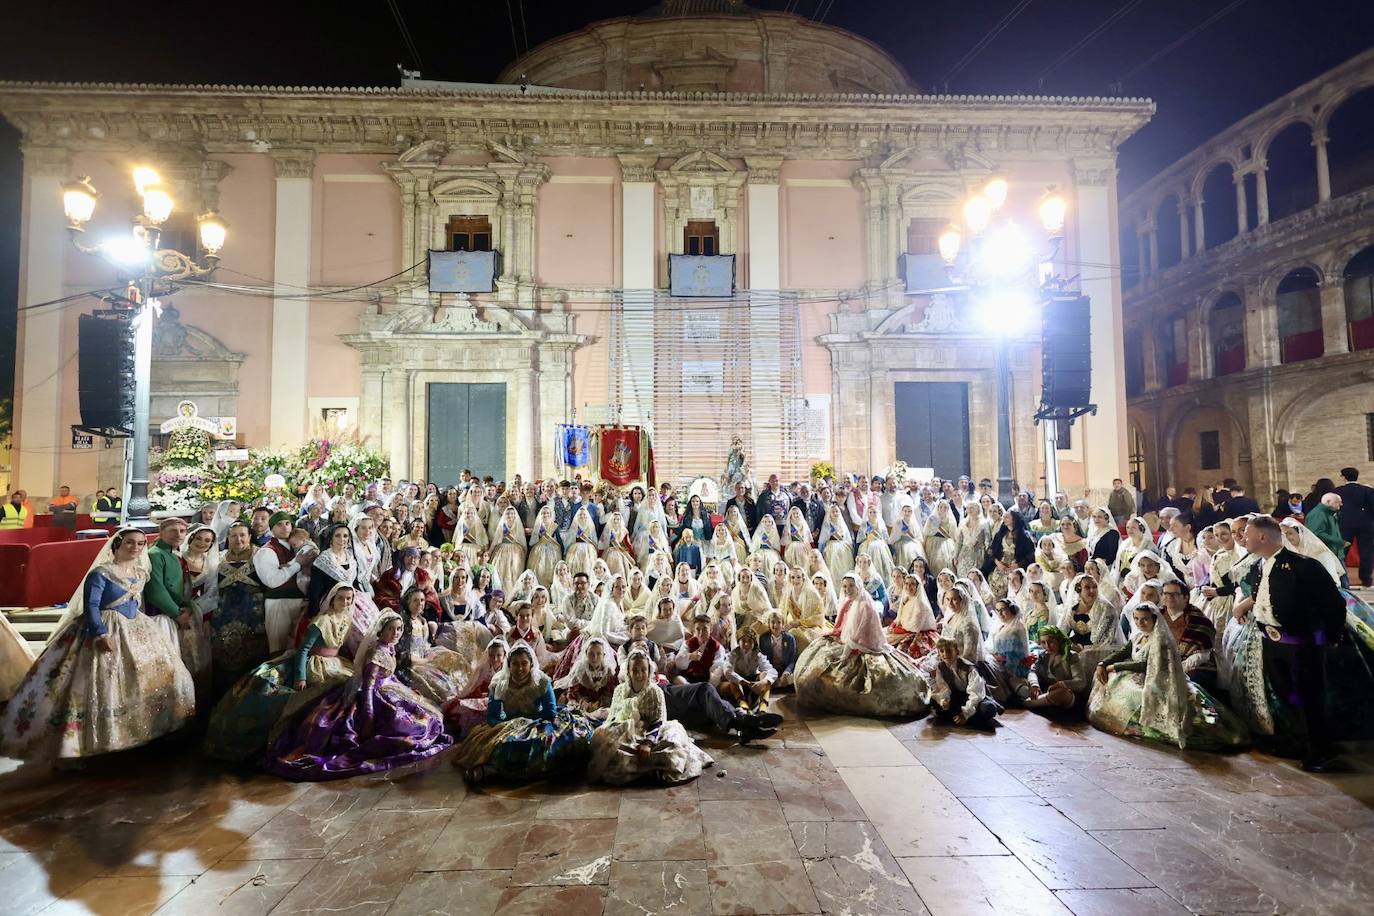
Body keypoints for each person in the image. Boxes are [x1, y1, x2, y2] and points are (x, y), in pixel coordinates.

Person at [0, 527, 195, 762]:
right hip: (104, 627)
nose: (136, 548)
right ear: (117, 545)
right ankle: (89, 743)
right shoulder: (101, 573)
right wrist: (100, 633)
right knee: (100, 682)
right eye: (130, 543)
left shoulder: (141, 573)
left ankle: (137, 734)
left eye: (141, 543)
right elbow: (92, 606)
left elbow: (138, 603)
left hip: (136, 628)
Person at [264, 611, 452, 780]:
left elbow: (390, 674)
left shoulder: (388, 647)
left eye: (399, 629)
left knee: (426, 715)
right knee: (405, 724)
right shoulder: (377, 654)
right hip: (374, 695)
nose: (395, 633)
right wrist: (368, 717)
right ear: (381, 631)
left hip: (389, 688)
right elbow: (369, 687)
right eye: (391, 629)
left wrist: (405, 689)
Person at [203, 581, 356, 763]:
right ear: (332, 600)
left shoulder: (346, 619)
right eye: (341, 599)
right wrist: (300, 676)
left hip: (335, 662)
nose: (345, 603)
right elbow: (303, 650)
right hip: (316, 664)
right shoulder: (322, 621)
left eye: (348, 599)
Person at [1089, 601, 1247, 752]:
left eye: (1145, 619)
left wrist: (1115, 667)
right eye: (1136, 619)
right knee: (1112, 681)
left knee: (1140, 695)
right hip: (1140, 676)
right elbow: (1123, 652)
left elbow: (1145, 664)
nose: (1140, 623)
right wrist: (1103, 663)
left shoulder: (1161, 640)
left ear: (1155, 619)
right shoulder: (1138, 636)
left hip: (1160, 679)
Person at [452, 642, 597, 784]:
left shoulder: (541, 682)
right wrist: (508, 725)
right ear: (508, 665)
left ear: (531, 664)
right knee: (502, 743)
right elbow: (492, 716)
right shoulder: (500, 684)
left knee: (538, 743)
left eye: (524, 663)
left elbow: (550, 713)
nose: (519, 668)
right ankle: (492, 769)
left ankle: (491, 771)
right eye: (515, 664)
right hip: (509, 723)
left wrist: (526, 723)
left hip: (539, 722)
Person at [794, 572, 928, 717]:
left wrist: (845, 653)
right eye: (845, 586)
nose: (847, 589)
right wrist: (837, 636)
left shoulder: (865, 605)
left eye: (851, 586)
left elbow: (859, 636)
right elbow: (843, 627)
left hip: (864, 647)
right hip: (848, 642)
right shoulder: (849, 601)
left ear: (858, 586)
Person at [589, 648, 714, 785]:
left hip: (652, 732)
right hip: (626, 731)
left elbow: (658, 720)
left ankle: (651, 768)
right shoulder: (620, 690)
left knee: (670, 751)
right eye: (635, 670)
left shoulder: (655, 691)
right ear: (628, 672)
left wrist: (648, 743)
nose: (639, 674)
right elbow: (613, 718)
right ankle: (641, 769)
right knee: (609, 749)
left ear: (649, 671)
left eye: (643, 670)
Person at [144, 517, 212, 705]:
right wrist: (177, 613)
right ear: (161, 532)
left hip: (177, 613)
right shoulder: (155, 554)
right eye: (173, 530)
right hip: (161, 616)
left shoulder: (174, 554)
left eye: (182, 531)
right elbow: (156, 590)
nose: (178, 535)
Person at [211, 521, 269, 698]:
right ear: (228, 538)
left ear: (249, 536)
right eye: (234, 535)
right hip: (223, 615)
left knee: (253, 653)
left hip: (253, 613)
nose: (238, 539)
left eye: (242, 535)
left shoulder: (261, 555)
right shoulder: (218, 557)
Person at [254, 511, 314, 653]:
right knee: (279, 650)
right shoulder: (267, 551)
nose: (284, 527)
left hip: (302, 603)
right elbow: (273, 580)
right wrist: (298, 564)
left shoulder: (297, 546)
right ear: (271, 529)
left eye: (287, 523)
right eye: (279, 524)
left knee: (300, 648)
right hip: (279, 603)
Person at [928, 638, 1002, 730]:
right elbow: (943, 687)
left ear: (957, 652)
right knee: (934, 702)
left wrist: (965, 713)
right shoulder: (941, 667)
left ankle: (964, 717)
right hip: (957, 697)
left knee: (988, 709)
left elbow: (976, 693)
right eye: (942, 651)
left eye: (949, 651)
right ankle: (965, 718)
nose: (945, 654)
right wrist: (944, 700)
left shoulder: (968, 667)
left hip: (975, 697)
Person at [1158, 580, 1218, 692]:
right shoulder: (1157, 616)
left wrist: (1177, 669)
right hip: (1163, 663)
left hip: (1194, 667)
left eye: (1174, 594)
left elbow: (1202, 656)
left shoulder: (1199, 620)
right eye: (1165, 594)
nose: (1169, 597)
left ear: (1185, 597)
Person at [1023, 626, 1088, 714]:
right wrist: (1034, 684)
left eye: (1051, 642)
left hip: (1067, 694)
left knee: (1062, 693)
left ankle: (1031, 703)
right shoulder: (1042, 655)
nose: (1047, 646)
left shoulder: (1071, 656)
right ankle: (1042, 702)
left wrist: (1061, 684)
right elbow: (1032, 671)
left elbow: (1081, 682)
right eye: (1043, 642)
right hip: (1047, 691)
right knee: (1018, 680)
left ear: (1058, 640)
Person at [719, 628, 776, 712]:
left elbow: (772, 671)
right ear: (738, 642)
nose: (746, 644)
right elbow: (728, 671)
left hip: (752, 685)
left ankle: (763, 707)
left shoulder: (757, 655)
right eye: (743, 641)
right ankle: (744, 706)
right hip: (738, 687)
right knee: (732, 681)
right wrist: (745, 682)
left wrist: (763, 682)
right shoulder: (733, 654)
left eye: (750, 641)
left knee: (765, 676)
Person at [1334, 468, 1374, 587]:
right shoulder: (1367, 490)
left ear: (1344, 477)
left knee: (1342, 551)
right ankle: (1366, 579)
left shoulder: (1338, 491)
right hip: (1366, 525)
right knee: (1366, 552)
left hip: (1345, 524)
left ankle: (1341, 577)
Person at [759, 611, 798, 689]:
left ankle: (780, 684)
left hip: (784, 669)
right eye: (773, 622)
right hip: (770, 669)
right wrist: (771, 671)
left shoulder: (789, 638)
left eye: (779, 622)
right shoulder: (763, 638)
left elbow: (793, 660)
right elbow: (762, 659)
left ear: (783, 624)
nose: (775, 625)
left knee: (794, 678)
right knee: (763, 676)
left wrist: (787, 671)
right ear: (769, 625)